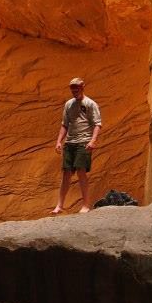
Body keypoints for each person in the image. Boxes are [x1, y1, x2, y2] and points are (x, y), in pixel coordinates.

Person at [52, 77, 102, 214]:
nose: (74, 90)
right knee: (66, 173)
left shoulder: (90, 104)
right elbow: (65, 124)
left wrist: (93, 141)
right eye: (72, 88)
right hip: (70, 142)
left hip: (84, 142)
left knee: (81, 172)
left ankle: (86, 205)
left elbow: (97, 124)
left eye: (76, 87)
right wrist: (58, 141)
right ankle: (59, 205)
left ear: (82, 86)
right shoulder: (69, 104)